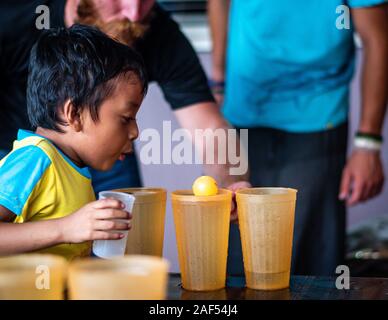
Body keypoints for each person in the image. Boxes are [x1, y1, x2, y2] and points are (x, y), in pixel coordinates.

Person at [0, 0, 250, 202]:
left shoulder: (159, 32)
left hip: (107, 146)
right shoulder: (18, 17)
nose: (133, 13)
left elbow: (208, 128)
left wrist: (231, 187)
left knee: (121, 245)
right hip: (17, 153)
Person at [208, 0, 388, 276]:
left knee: (308, 262)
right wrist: (219, 80)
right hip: (242, 110)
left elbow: (378, 38)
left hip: (318, 116)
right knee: (236, 255)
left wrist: (368, 142)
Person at [0, 24, 148, 261]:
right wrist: (66, 228)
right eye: (126, 118)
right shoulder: (35, 159)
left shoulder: (73, 168)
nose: (135, 132)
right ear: (75, 114)